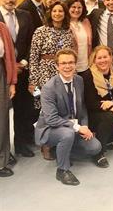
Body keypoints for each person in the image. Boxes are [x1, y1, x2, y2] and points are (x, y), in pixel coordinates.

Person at [34, 49, 102, 186]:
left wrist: (85, 126)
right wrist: (77, 127)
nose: (67, 66)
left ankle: (60, 151)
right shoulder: (49, 88)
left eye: (71, 62)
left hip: (72, 126)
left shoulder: (79, 80)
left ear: (75, 64)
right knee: (67, 133)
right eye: (63, 63)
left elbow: (82, 107)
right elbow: (51, 119)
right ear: (57, 66)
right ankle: (62, 170)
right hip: (50, 129)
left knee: (95, 147)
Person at [0, 0, 35, 158]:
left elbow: (30, 42)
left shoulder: (25, 15)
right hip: (1, 71)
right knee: (2, 112)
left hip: (22, 69)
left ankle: (21, 145)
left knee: (23, 109)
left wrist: (24, 62)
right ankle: (4, 151)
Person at [81, 46, 113, 166]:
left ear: (111, 58)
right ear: (94, 60)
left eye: (105, 57)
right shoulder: (88, 76)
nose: (103, 60)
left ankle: (104, 138)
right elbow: (90, 103)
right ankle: (98, 153)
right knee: (110, 118)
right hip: (93, 114)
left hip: (112, 113)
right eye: (99, 58)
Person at [29, 2, 75, 111]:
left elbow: (71, 54)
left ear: (65, 14)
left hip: (64, 72)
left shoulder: (68, 31)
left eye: (60, 11)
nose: (57, 13)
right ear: (50, 13)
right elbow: (33, 57)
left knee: (64, 105)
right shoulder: (40, 31)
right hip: (45, 72)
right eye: (54, 11)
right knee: (47, 106)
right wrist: (33, 81)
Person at [0, 22, 17, 177]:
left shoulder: (1, 27)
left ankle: (1, 161)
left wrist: (11, 82)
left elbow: (10, 55)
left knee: (2, 119)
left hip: (0, 74)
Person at [67, 0, 92, 74]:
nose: (76, 10)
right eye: (73, 7)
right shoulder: (64, 24)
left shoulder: (86, 21)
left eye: (79, 7)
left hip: (86, 66)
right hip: (71, 67)